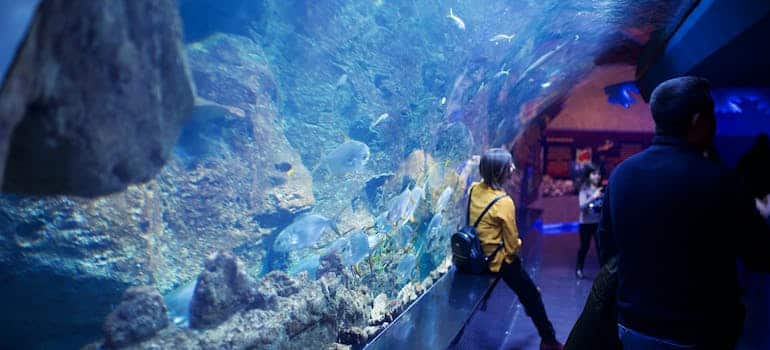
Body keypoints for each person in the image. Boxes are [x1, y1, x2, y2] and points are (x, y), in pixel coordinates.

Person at [596, 76, 770, 349]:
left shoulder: (621, 175)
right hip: (700, 332)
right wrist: (762, 214)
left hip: (633, 326)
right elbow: (759, 255)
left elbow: (606, 247)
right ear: (698, 120)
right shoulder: (721, 181)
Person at [469, 148, 563, 350]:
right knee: (532, 295)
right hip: (497, 261)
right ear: (500, 172)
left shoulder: (474, 189)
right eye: (509, 165)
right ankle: (549, 341)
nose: (513, 168)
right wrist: (518, 245)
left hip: (476, 254)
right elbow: (511, 246)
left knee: (526, 288)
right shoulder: (504, 203)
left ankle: (528, 298)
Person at [575, 164, 603, 279]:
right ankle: (579, 268)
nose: (597, 176)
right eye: (594, 174)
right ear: (589, 175)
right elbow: (582, 206)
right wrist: (594, 197)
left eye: (599, 174)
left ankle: (604, 271)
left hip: (598, 223)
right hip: (585, 223)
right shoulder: (584, 189)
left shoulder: (601, 189)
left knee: (601, 247)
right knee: (584, 247)